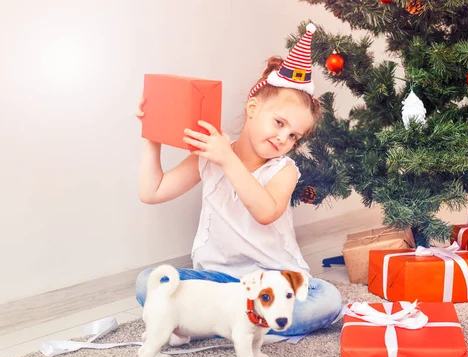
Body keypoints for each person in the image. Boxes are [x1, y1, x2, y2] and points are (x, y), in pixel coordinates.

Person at [135, 23, 342, 337]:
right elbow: (152, 192)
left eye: (293, 135)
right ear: (252, 108)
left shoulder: (284, 170)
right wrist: (152, 136)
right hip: (218, 285)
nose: (283, 138)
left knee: (327, 300)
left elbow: (265, 212)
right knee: (149, 282)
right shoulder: (211, 155)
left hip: (274, 283)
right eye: (279, 122)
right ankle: (235, 321)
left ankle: (223, 323)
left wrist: (227, 159)